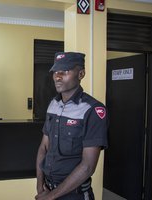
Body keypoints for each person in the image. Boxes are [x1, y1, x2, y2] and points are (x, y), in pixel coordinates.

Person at [35, 52, 108, 200]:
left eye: (65, 71)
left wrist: (50, 197)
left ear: (81, 74)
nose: (58, 76)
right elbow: (43, 147)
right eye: (56, 71)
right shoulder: (53, 104)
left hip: (75, 195)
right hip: (47, 189)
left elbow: (87, 166)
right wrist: (39, 184)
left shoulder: (92, 110)